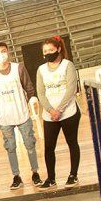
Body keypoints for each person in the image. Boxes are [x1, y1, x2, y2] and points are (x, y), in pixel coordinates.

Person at [0, 42, 43, 189]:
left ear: (8, 52)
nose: (1, 54)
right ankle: (16, 176)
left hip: (22, 114)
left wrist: (30, 102)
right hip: (4, 117)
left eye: (3, 51)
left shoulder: (19, 68)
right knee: (10, 147)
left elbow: (29, 87)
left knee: (29, 143)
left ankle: (35, 172)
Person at [37, 35, 81, 190]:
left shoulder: (68, 65)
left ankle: (73, 175)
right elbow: (40, 92)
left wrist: (59, 109)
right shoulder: (41, 69)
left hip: (68, 113)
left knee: (72, 143)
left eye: (51, 50)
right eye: (45, 51)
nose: (48, 53)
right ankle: (51, 179)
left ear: (59, 49)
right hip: (49, 115)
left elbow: (71, 89)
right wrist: (51, 110)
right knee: (49, 147)